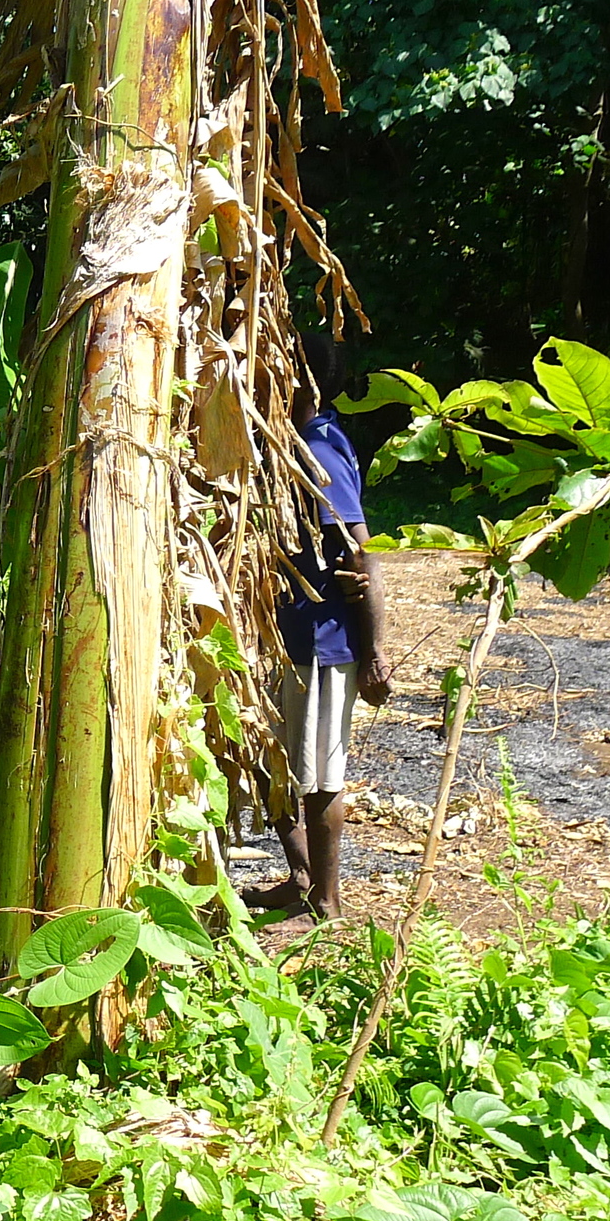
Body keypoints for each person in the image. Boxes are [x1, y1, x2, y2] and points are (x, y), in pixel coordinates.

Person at [246, 328, 393, 919]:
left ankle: (327, 899)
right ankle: (304, 876)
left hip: (320, 640)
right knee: (272, 764)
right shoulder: (293, 441)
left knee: (319, 776)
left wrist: (375, 652)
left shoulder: (319, 448)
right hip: (285, 635)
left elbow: (362, 556)